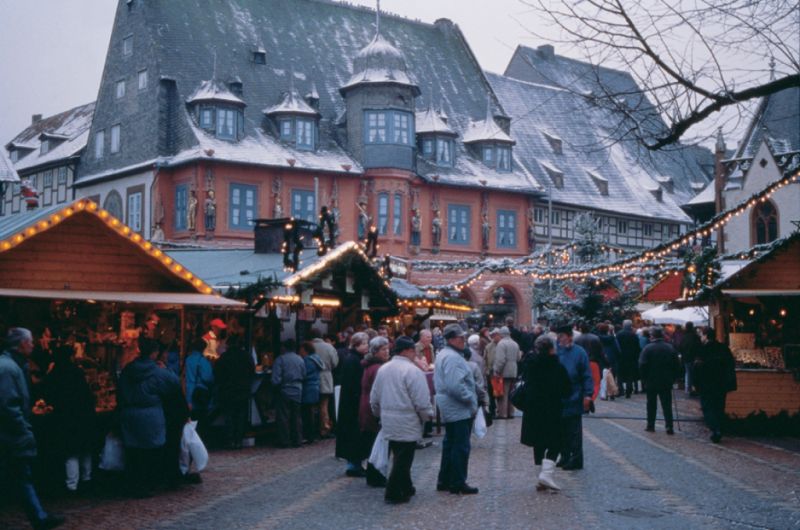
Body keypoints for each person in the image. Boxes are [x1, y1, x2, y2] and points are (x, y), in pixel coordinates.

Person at [0, 328, 65, 529]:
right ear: (21, 345)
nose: (33, 345)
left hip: (11, 432)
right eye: (30, 342)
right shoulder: (9, 368)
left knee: (20, 476)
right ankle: (39, 517)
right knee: (21, 475)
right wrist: (23, 428)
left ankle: (39, 517)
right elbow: (8, 405)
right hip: (10, 433)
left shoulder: (15, 366)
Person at [370, 336, 434, 504]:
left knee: (398, 453)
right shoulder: (412, 371)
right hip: (407, 419)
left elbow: (374, 398)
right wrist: (427, 416)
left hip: (388, 419)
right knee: (403, 458)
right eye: (413, 350)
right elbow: (421, 400)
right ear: (406, 351)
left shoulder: (384, 369)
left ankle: (407, 486)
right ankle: (393, 491)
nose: (415, 354)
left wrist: (378, 414)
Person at [117, 337, 182, 498]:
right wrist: (167, 369)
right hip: (151, 415)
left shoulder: (128, 369)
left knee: (133, 451)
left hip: (129, 414)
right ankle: (146, 484)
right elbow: (174, 385)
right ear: (154, 353)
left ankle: (133, 484)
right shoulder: (158, 372)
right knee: (150, 451)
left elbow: (120, 389)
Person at [520, 335, 571, 491]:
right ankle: (546, 474)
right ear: (551, 349)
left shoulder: (530, 364)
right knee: (556, 442)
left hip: (533, 409)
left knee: (538, 442)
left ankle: (540, 477)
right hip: (552, 409)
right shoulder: (556, 366)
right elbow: (566, 389)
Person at [44, 345, 96, 494]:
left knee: (71, 451)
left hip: (66, 416)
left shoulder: (56, 373)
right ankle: (87, 480)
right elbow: (87, 394)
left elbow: (47, 391)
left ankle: (72, 485)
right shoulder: (76, 371)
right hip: (83, 414)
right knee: (85, 449)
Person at [434, 324, 479, 495]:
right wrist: (470, 398)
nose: (464, 340)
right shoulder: (453, 357)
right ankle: (457, 481)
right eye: (461, 338)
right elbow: (455, 386)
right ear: (452, 339)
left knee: (450, 443)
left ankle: (445, 479)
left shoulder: (445, 354)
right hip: (457, 406)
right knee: (460, 445)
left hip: (450, 405)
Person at [555, 324, 593, 471]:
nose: (559, 339)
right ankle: (564, 455)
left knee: (574, 431)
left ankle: (576, 459)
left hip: (575, 396)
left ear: (569, 336)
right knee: (561, 429)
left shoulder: (579, 352)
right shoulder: (557, 351)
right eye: (558, 337)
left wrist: (588, 395)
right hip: (559, 397)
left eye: (562, 336)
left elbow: (586, 375)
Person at [336, 332, 370, 477]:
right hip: (352, 405)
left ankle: (355, 463)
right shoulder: (353, 360)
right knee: (354, 435)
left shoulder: (355, 359)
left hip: (351, 403)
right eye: (364, 343)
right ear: (356, 345)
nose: (366, 346)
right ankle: (354, 465)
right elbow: (354, 384)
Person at [695, 328, 737, 443]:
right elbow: (730, 365)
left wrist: (696, 383)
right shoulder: (723, 348)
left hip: (707, 384)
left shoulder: (702, 349)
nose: (700, 337)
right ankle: (719, 428)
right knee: (719, 406)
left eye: (702, 335)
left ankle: (715, 429)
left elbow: (698, 367)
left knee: (707, 407)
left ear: (706, 336)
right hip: (721, 384)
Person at [214, 334, 255, 449]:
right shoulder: (247, 356)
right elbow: (252, 372)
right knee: (241, 415)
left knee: (229, 416)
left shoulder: (224, 357)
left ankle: (230, 439)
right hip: (242, 391)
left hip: (228, 391)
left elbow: (217, 374)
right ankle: (238, 439)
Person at [639, 326, 681, 435]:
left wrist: (644, 378)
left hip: (651, 380)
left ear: (652, 336)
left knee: (651, 404)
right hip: (666, 380)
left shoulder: (648, 348)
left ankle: (650, 425)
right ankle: (669, 426)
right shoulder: (670, 348)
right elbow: (677, 365)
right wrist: (674, 378)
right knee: (667, 404)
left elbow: (642, 365)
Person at [360, 336, 390, 487]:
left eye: (387, 348)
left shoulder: (370, 366)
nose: (387, 352)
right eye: (383, 349)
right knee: (376, 443)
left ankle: (373, 475)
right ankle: (375, 476)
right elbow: (379, 392)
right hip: (373, 408)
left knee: (372, 442)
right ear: (375, 351)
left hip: (367, 405)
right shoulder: (378, 368)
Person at [271, 340, 306, 448]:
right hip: (297, 389)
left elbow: (275, 379)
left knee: (283, 416)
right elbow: (304, 374)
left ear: (284, 347)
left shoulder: (280, 359)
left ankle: (284, 440)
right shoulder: (300, 359)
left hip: (284, 389)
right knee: (297, 416)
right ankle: (297, 440)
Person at [311, 329, 338, 439]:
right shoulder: (329, 347)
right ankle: (324, 429)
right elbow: (335, 363)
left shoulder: (308, 346)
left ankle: (312, 429)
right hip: (326, 377)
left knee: (312, 405)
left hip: (311, 378)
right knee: (324, 405)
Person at [185, 337, 214, 438]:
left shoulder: (188, 360)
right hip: (202, 393)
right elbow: (208, 377)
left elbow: (189, 381)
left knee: (192, 421)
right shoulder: (203, 361)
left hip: (192, 393)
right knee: (202, 420)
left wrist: (188, 400)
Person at [492, 326, 520, 419]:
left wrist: (496, 370)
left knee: (503, 394)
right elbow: (518, 358)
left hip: (504, 371)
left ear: (501, 334)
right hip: (514, 370)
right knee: (511, 394)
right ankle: (511, 412)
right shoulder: (515, 343)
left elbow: (501, 360)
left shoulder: (501, 344)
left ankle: (503, 414)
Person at [299, 341, 323, 444]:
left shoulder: (307, 360)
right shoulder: (316, 358)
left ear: (305, 350)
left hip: (308, 387)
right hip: (315, 387)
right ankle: (312, 434)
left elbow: (304, 373)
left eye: (301, 349)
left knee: (307, 412)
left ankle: (309, 435)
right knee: (312, 411)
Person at [616, 320, 641, 398]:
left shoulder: (619, 334)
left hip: (621, 357)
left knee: (620, 374)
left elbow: (616, 346)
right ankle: (628, 391)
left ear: (623, 325)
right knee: (630, 375)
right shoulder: (634, 335)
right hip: (631, 358)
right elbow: (637, 347)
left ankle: (621, 390)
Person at [597, 323, 622, 397]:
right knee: (612, 374)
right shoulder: (612, 338)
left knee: (603, 374)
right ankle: (611, 392)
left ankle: (604, 391)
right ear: (607, 330)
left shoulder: (597, 338)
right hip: (612, 357)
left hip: (601, 357)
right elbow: (617, 349)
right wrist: (618, 356)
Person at [679, 322, 702, 396]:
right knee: (693, 373)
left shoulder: (684, 336)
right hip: (694, 357)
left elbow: (680, 347)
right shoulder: (695, 336)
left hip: (686, 357)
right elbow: (699, 346)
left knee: (688, 372)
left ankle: (688, 388)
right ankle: (691, 388)